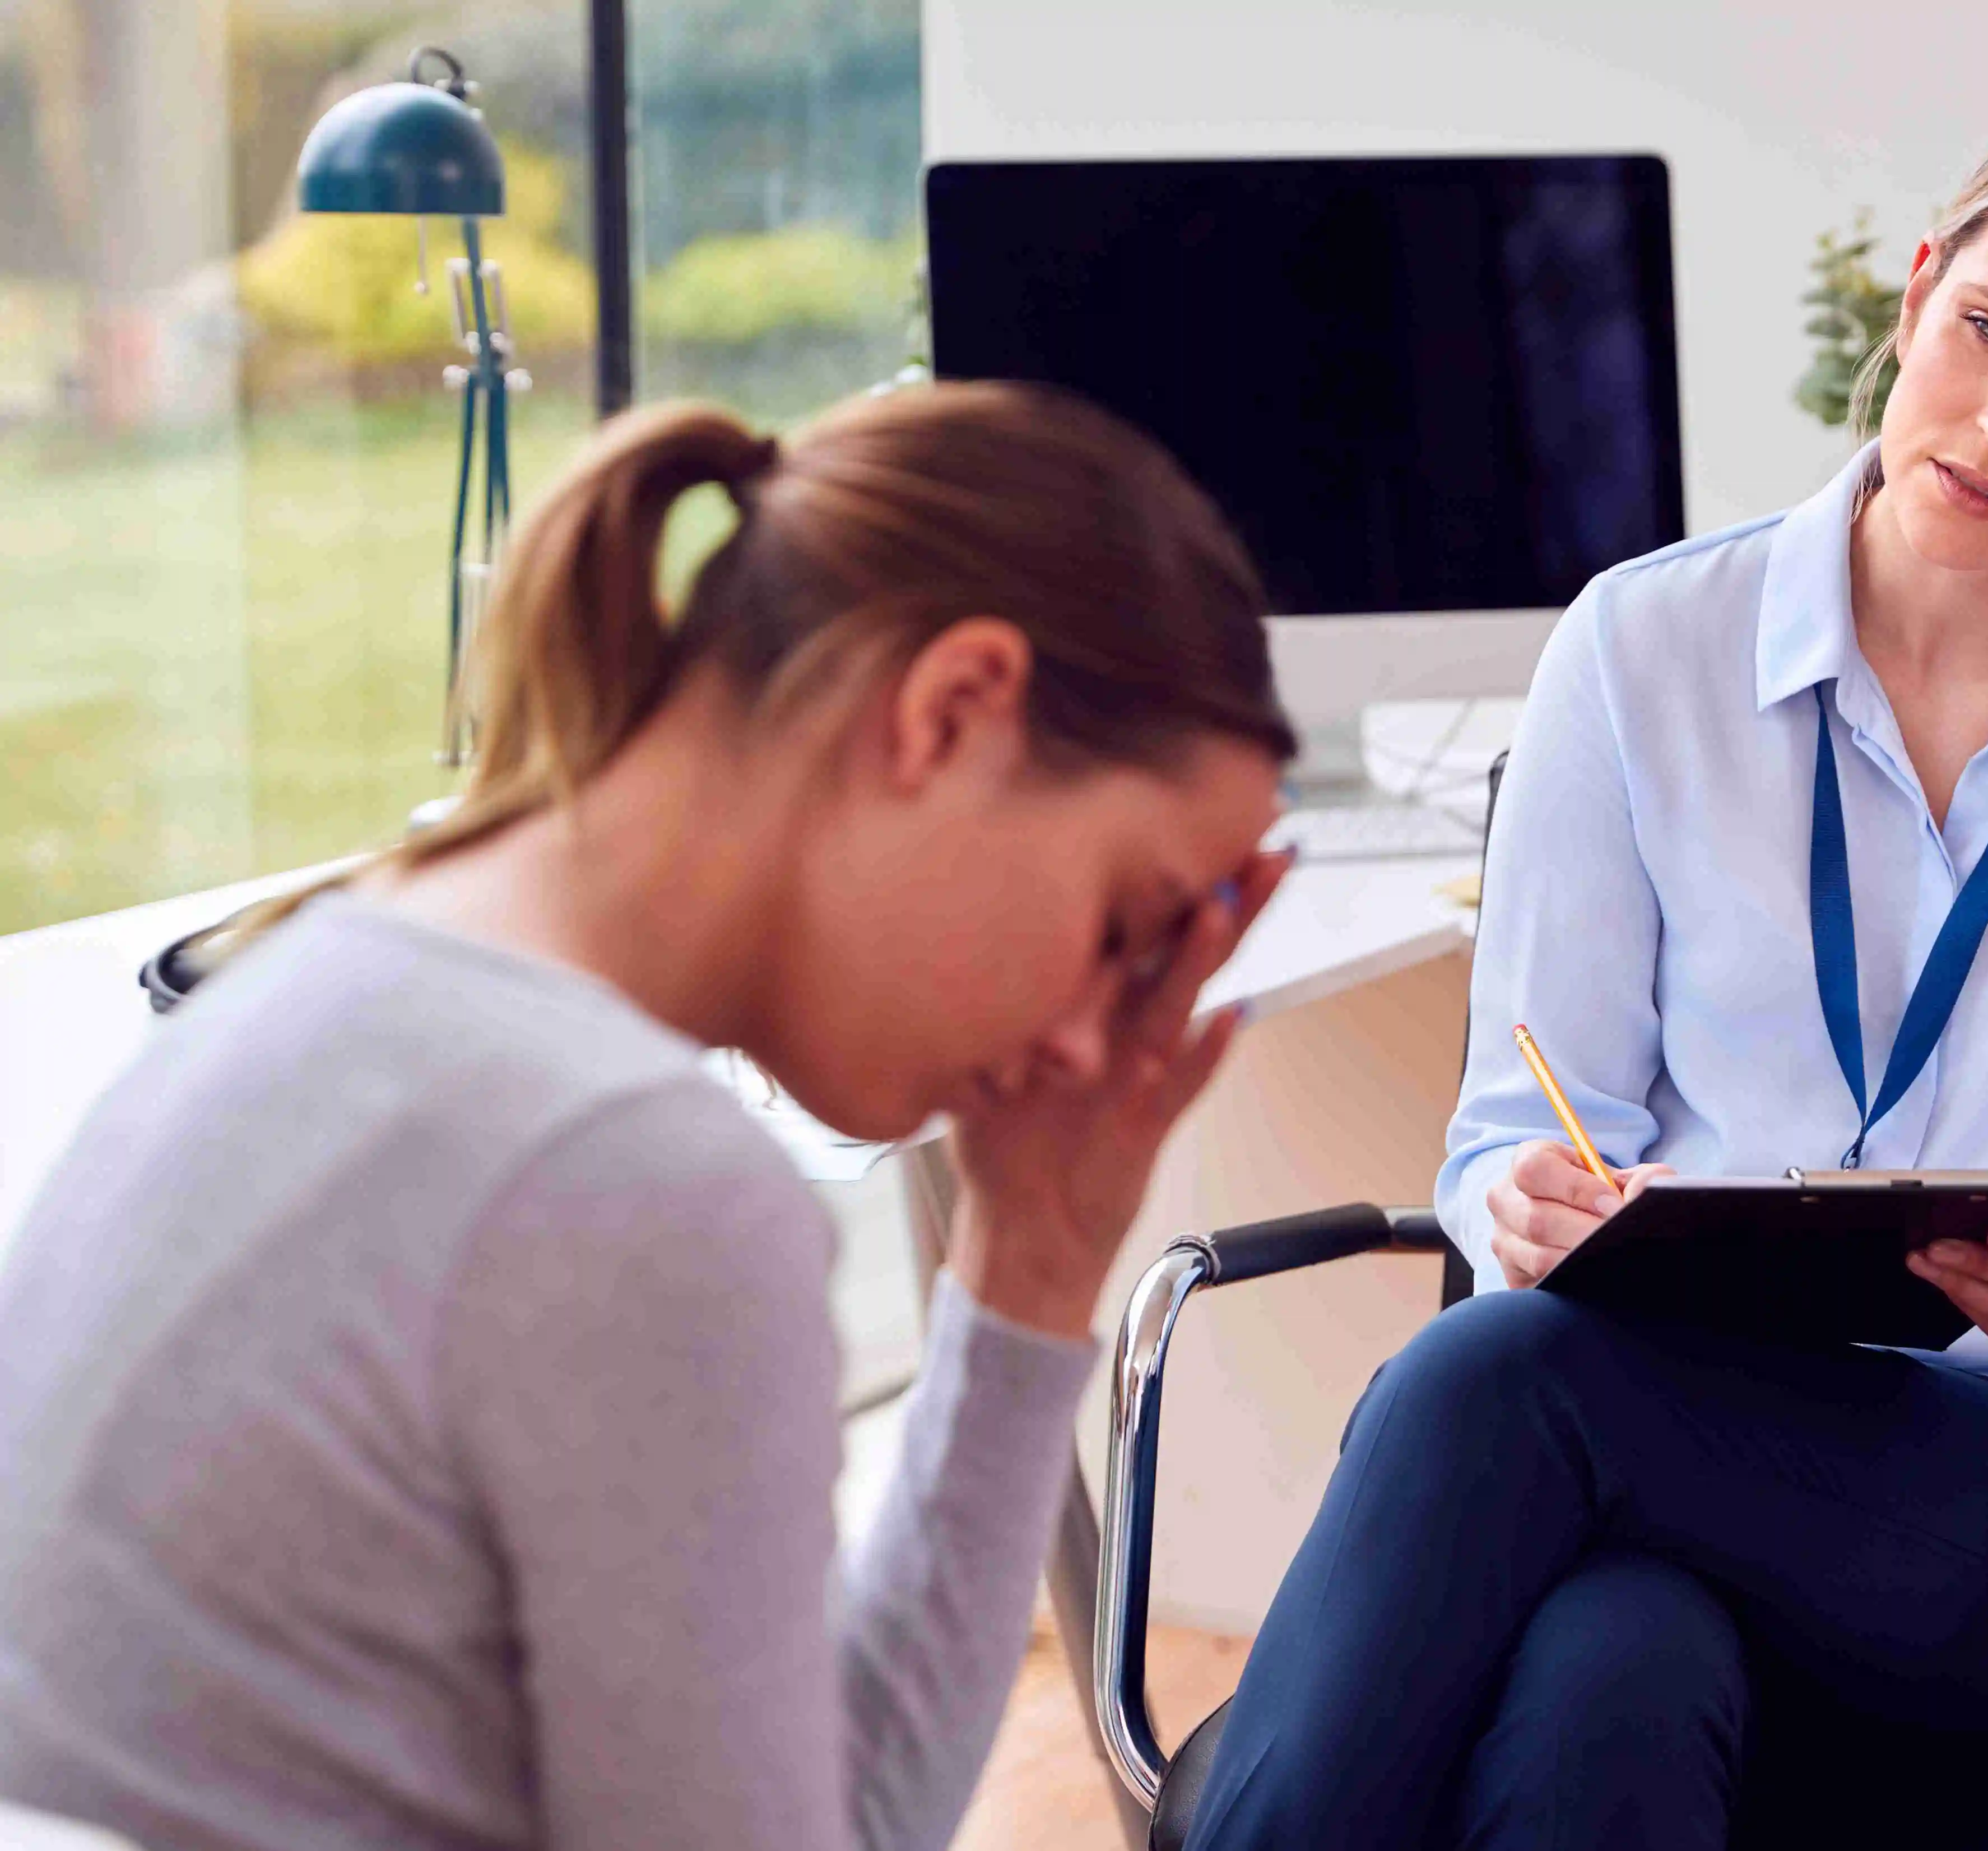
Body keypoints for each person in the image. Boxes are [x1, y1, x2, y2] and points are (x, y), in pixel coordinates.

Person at [1183, 76, 1988, 1850]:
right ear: (1918, 292)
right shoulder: (1642, 644)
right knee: (1610, 1671)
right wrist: (1524, 1203)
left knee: (1489, 1382)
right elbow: (1510, 1137)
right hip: (1680, 1443)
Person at [0, 381, 1295, 1850]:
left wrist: (1037, 1266)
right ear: (952, 709)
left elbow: (824, 1809)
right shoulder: (623, 1175)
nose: (1084, 1034)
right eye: (1124, 921)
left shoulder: (333, 976)